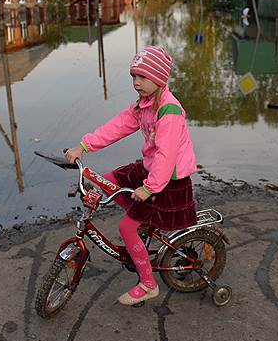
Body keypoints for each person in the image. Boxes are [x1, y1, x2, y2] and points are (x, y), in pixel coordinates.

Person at [65, 46, 198, 306]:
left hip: (168, 181)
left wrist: (149, 189)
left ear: (159, 79)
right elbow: (117, 126)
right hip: (152, 170)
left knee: (126, 227)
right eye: (133, 76)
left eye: (142, 77)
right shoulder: (144, 105)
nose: (136, 83)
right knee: (106, 180)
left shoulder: (168, 111)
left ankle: (148, 284)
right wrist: (84, 145)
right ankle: (145, 224)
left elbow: (166, 155)